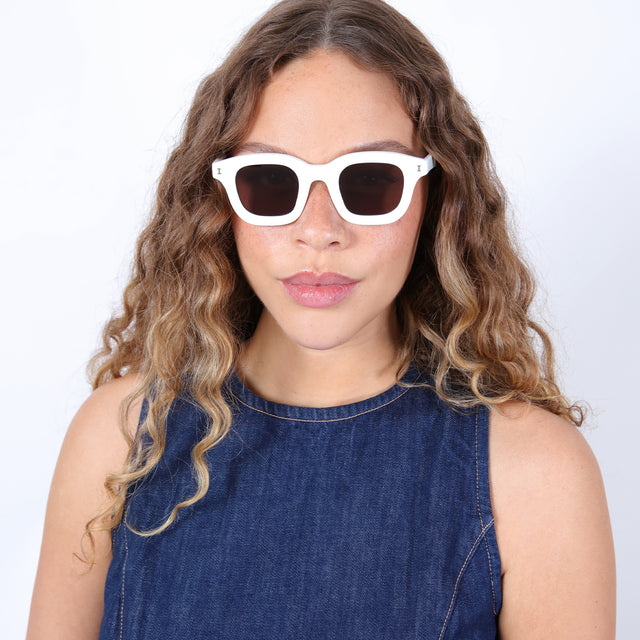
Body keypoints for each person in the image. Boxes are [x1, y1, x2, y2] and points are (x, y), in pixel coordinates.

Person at [27, 0, 615, 638]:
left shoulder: (532, 475)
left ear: (436, 197)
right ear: (219, 201)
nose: (319, 231)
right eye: (271, 182)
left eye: (369, 182)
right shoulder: (120, 439)